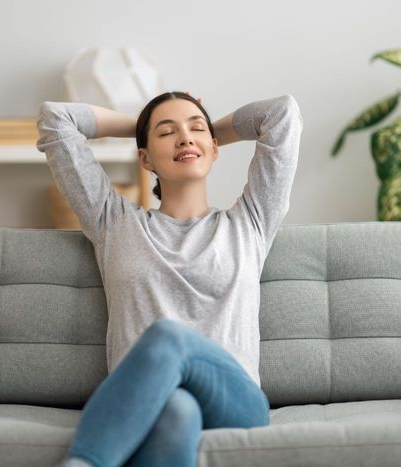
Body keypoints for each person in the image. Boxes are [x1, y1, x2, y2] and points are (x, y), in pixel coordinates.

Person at [36, 90, 303, 467]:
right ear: (144, 157)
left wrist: (205, 133)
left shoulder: (251, 222)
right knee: (176, 409)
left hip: (235, 400)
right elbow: (56, 118)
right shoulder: (115, 223)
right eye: (166, 133)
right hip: (150, 399)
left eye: (195, 129)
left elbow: (281, 113)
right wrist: (141, 124)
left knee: (168, 335)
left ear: (214, 147)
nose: (184, 137)